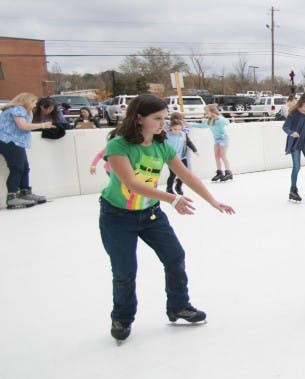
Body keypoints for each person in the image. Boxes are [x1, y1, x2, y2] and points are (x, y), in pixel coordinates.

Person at [98, 94, 235, 343]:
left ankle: (179, 306)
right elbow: (132, 183)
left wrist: (213, 201)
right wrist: (172, 198)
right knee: (125, 270)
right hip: (116, 216)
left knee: (175, 257)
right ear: (139, 119)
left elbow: (187, 176)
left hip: (150, 214)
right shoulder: (118, 146)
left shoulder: (162, 146)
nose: (163, 123)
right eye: (157, 118)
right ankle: (122, 317)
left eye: (164, 118)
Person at [0, 93, 55, 209]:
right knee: (17, 168)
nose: (35, 105)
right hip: (10, 142)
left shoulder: (21, 111)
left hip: (16, 142)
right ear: (26, 101)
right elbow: (23, 126)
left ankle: (25, 192)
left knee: (24, 168)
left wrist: (30, 112)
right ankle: (12, 196)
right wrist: (43, 125)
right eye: (33, 102)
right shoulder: (17, 109)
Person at [282, 93, 305, 203]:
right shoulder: (294, 113)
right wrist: (291, 132)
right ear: (302, 102)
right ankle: (293, 190)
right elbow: (285, 127)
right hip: (295, 143)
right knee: (297, 166)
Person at [188, 104, 232, 183]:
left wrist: (218, 117)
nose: (205, 113)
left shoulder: (219, 119)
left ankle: (228, 172)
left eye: (206, 111)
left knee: (222, 155)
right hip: (217, 140)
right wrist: (188, 124)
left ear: (212, 111)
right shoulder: (209, 120)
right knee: (216, 156)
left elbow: (227, 122)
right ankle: (219, 172)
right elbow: (201, 125)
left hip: (223, 139)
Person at [164, 113, 198, 196]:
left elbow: (188, 142)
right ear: (170, 128)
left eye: (179, 129)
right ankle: (169, 188)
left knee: (184, 172)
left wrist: (195, 150)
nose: (177, 131)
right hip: (171, 158)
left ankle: (178, 186)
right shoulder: (166, 136)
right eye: (175, 129)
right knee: (173, 174)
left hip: (182, 157)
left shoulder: (182, 134)